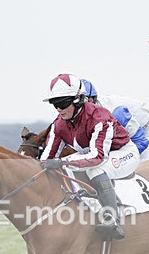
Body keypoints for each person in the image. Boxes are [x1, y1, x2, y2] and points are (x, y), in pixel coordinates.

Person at [40, 73, 140, 240]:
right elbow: (46, 157)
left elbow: (97, 157)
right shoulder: (59, 124)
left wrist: (63, 162)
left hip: (123, 153)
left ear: (78, 99)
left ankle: (112, 219)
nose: (58, 109)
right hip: (95, 153)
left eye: (62, 103)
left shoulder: (100, 117)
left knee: (95, 170)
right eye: (54, 104)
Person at [81, 79, 149, 162]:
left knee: (141, 165)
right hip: (125, 130)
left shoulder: (109, 112)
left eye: (87, 101)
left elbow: (141, 142)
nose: (85, 106)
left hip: (146, 128)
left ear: (94, 98)